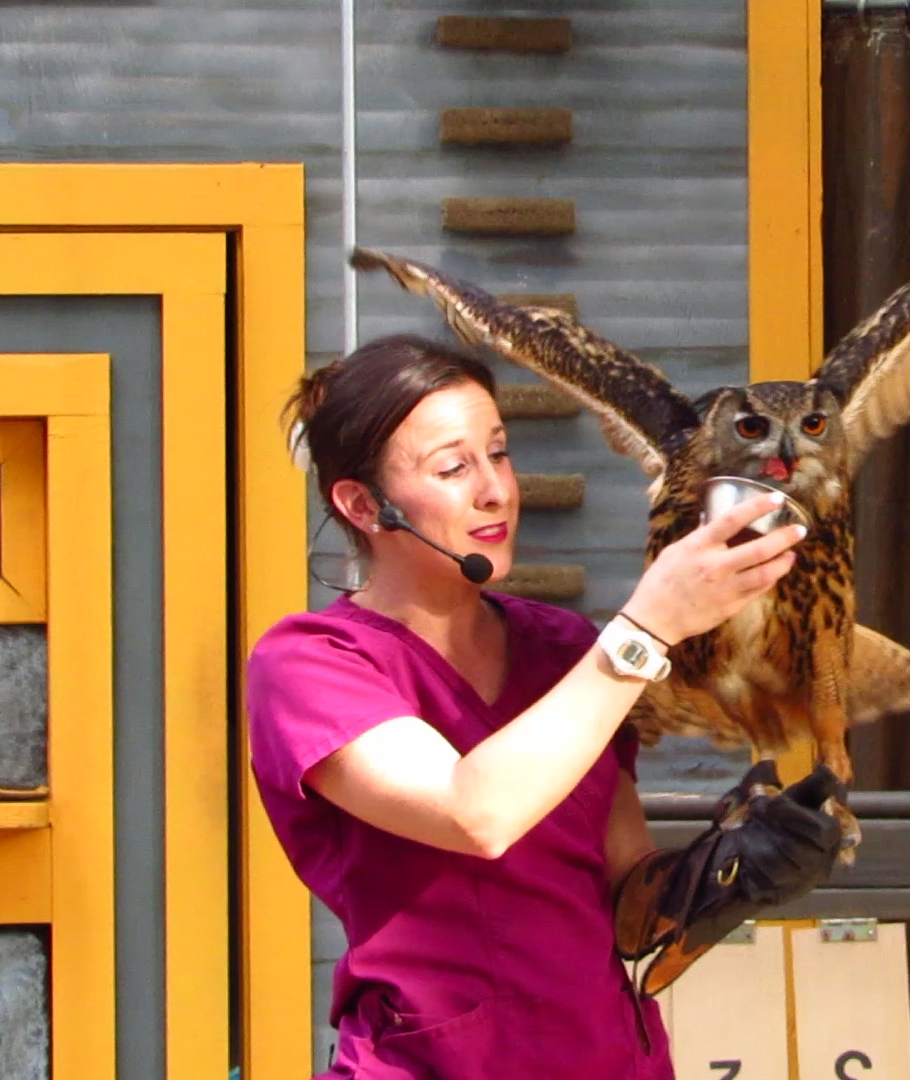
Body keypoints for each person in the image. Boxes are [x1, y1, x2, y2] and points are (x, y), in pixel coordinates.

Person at [244, 333, 849, 1079]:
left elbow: (630, 907)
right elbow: (475, 814)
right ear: (365, 505)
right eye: (452, 467)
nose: (495, 488)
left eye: (497, 452)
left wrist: (730, 872)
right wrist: (650, 625)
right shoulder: (311, 664)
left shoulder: (563, 649)